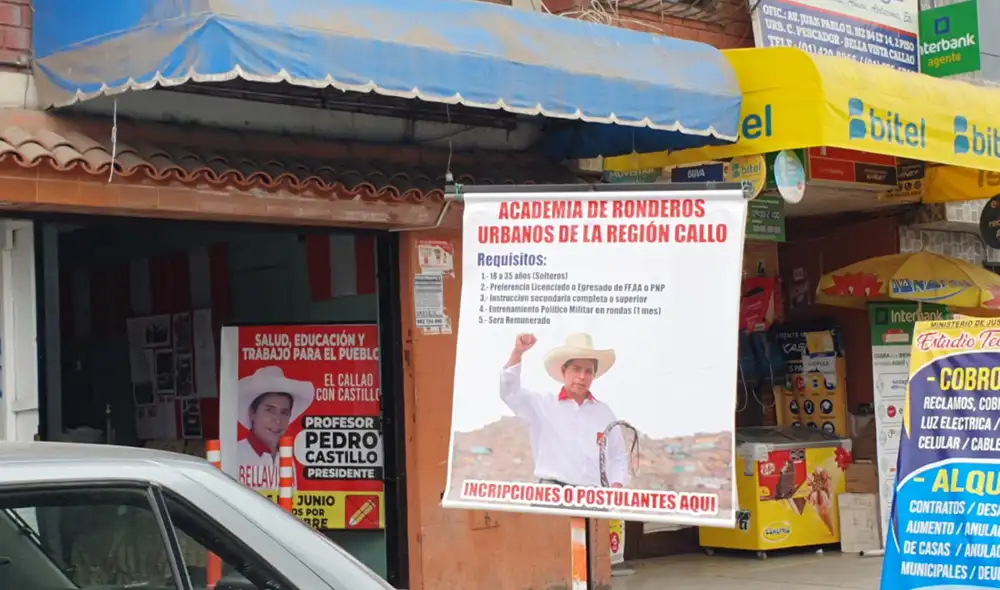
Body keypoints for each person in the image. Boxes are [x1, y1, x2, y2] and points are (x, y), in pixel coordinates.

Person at [501, 333, 630, 488]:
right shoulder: (542, 405)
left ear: (593, 375)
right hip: (551, 495)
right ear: (564, 371)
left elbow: (618, 456)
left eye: (588, 371)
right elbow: (509, 392)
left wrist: (616, 484)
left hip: (593, 497)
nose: (582, 376)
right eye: (576, 369)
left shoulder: (604, 413)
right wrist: (518, 352)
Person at [236, 366, 313, 489]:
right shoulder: (234, 454)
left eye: (284, 412)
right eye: (270, 411)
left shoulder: (286, 458)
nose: (277, 420)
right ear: (252, 413)